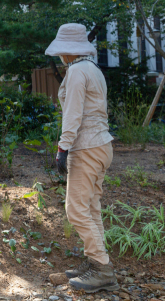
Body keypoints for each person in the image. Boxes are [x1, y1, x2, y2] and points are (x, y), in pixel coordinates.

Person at [46, 23, 118, 293]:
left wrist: (62, 148)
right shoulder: (93, 69)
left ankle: (102, 268)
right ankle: (97, 262)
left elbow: (73, 114)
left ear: (67, 51)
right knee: (91, 208)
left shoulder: (76, 71)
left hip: (86, 146)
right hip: (101, 145)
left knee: (75, 210)